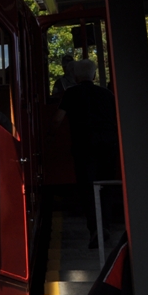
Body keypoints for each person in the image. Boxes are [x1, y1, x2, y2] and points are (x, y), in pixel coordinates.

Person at [55, 59, 121, 248]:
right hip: (108, 145)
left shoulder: (71, 93)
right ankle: (106, 226)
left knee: (87, 188)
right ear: (94, 75)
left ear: (76, 76)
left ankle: (95, 229)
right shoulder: (107, 94)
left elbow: (58, 119)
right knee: (106, 187)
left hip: (84, 146)